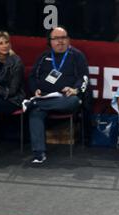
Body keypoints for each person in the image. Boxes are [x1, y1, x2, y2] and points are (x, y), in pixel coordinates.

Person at [25, 26, 89, 164]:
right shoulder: (43, 57)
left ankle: (33, 103)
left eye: (63, 38)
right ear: (50, 41)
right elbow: (32, 77)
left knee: (72, 101)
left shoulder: (76, 55)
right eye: (56, 39)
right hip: (46, 97)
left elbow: (84, 78)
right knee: (36, 112)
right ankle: (39, 153)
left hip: (66, 98)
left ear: (68, 39)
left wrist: (75, 90)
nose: (60, 41)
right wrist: (35, 89)